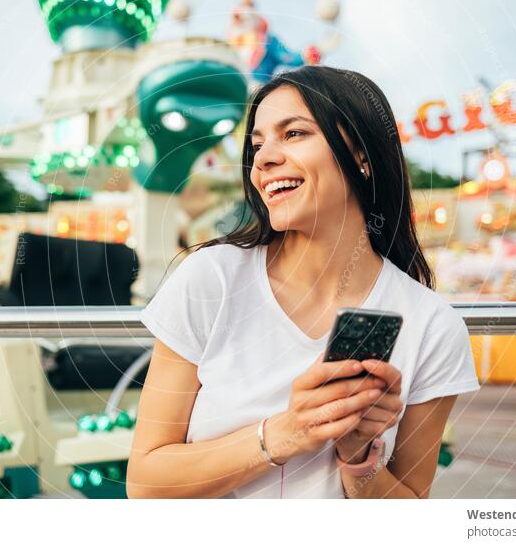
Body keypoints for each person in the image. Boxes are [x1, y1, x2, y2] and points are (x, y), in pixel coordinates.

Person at [127, 66, 480, 499]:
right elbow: (145, 482)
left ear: (362, 155)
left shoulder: (431, 325)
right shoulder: (210, 279)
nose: (263, 158)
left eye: (293, 134)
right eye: (257, 144)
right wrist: (284, 434)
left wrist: (357, 456)